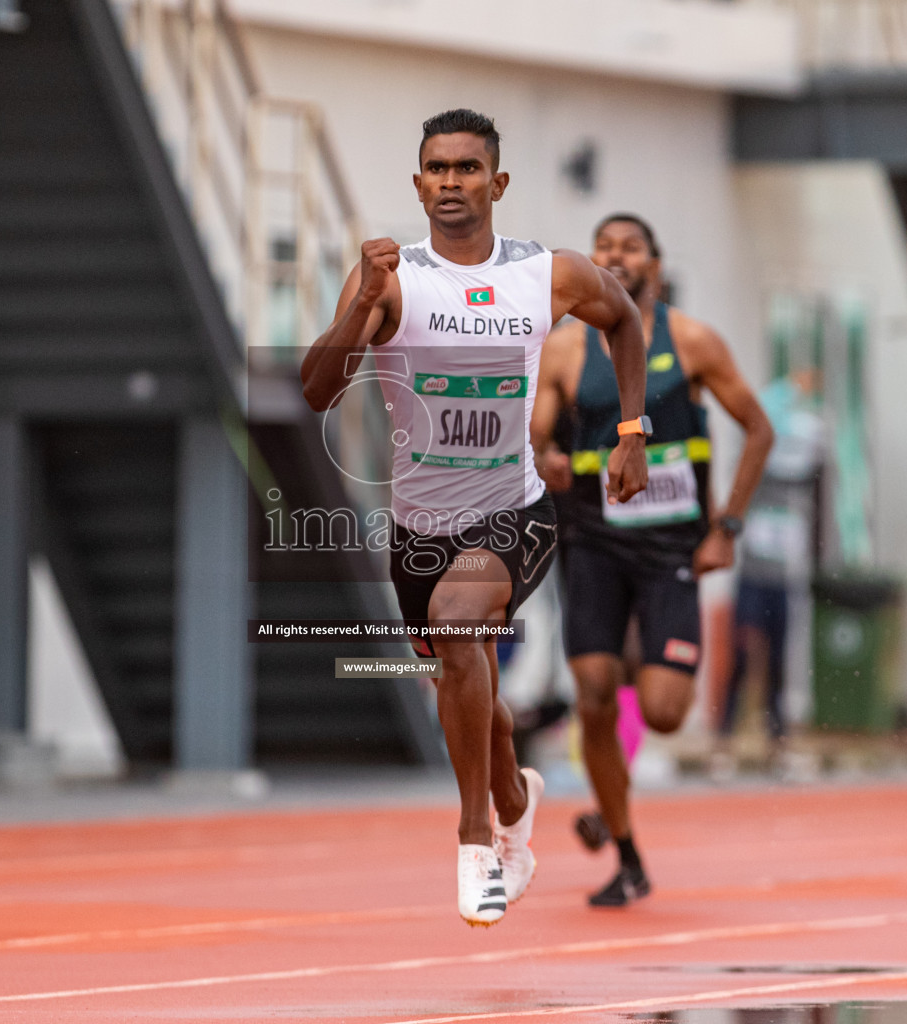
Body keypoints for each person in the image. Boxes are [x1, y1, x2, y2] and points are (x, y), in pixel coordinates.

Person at [300, 110, 653, 927]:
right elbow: (317, 389)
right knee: (472, 696)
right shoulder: (388, 278)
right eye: (436, 168)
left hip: (515, 513)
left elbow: (625, 319)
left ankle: (475, 842)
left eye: (467, 168)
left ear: (496, 185)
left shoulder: (548, 274)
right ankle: (511, 792)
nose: (450, 181)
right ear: (418, 183)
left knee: (462, 630)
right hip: (419, 532)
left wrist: (632, 430)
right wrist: (361, 307)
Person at [531, 213, 773, 907]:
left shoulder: (691, 340)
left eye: (629, 248)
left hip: (672, 544)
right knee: (594, 697)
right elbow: (537, 436)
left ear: (654, 266)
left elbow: (758, 429)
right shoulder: (566, 351)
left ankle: (637, 669)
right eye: (603, 248)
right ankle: (627, 854)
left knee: (664, 711)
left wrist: (726, 526)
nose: (615, 257)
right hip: (592, 541)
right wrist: (544, 457)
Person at [716, 369, 824, 772]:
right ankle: (724, 742)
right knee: (742, 661)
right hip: (752, 578)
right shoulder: (758, 479)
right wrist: (789, 389)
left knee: (780, 663)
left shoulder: (802, 486)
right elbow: (757, 421)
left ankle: (778, 742)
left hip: (785, 581)